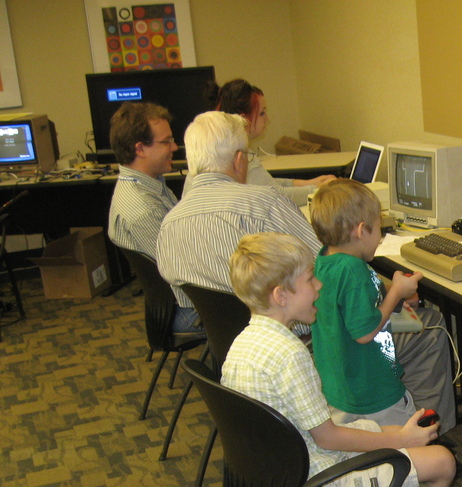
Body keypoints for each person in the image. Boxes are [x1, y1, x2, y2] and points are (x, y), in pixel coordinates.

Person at [221, 232, 460, 487]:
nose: (319, 287)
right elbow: (328, 438)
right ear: (281, 295)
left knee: (390, 433)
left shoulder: (243, 345)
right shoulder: (289, 355)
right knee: (441, 462)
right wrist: (401, 439)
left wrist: (395, 437)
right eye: (309, 280)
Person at [308, 178, 457, 433]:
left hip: (341, 387)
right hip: (374, 390)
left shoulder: (325, 260)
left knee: (361, 443)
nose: (380, 236)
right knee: (406, 441)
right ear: (361, 231)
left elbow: (347, 303)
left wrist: (391, 294)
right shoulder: (355, 271)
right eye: (379, 227)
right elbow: (365, 332)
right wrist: (396, 291)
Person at [156, 111, 322, 315]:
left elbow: (185, 300)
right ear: (239, 160)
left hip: (219, 331)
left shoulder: (169, 224)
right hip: (287, 326)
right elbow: (324, 267)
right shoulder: (267, 204)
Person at [107, 102, 201, 336]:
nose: (174, 147)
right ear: (140, 149)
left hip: (181, 300)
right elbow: (184, 271)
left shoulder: (149, 185)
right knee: (274, 304)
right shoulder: (144, 209)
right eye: (166, 141)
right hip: (186, 311)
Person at [182, 78, 335, 206]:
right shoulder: (238, 155)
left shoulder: (220, 146)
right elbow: (275, 195)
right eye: (262, 113)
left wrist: (310, 183)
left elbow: (267, 183)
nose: (267, 119)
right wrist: (320, 190)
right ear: (244, 120)